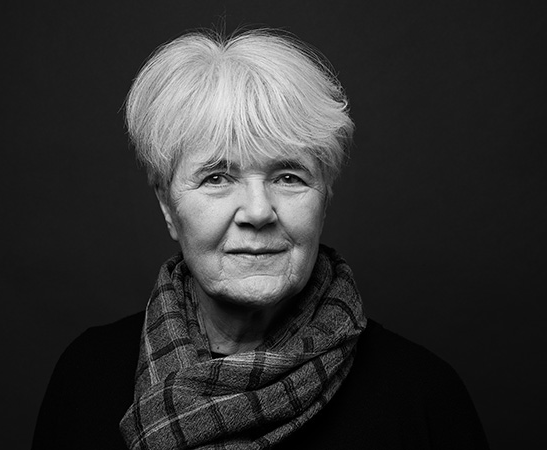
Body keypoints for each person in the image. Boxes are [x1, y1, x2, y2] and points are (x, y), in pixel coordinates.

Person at [32, 29, 490, 450]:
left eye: (289, 177)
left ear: (325, 198)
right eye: (217, 177)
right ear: (167, 206)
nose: (257, 211)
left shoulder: (422, 398)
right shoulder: (86, 378)